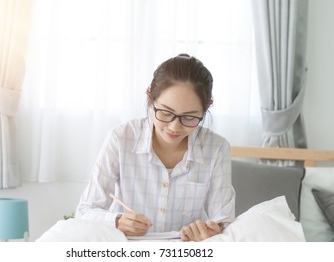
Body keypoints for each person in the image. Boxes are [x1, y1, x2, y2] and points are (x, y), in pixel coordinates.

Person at [75, 54, 235, 241]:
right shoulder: (121, 139)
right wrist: (116, 221)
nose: (174, 127)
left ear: (207, 108)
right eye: (166, 113)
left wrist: (212, 232)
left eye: (189, 117)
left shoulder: (216, 148)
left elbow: (225, 222)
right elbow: (85, 210)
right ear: (150, 98)